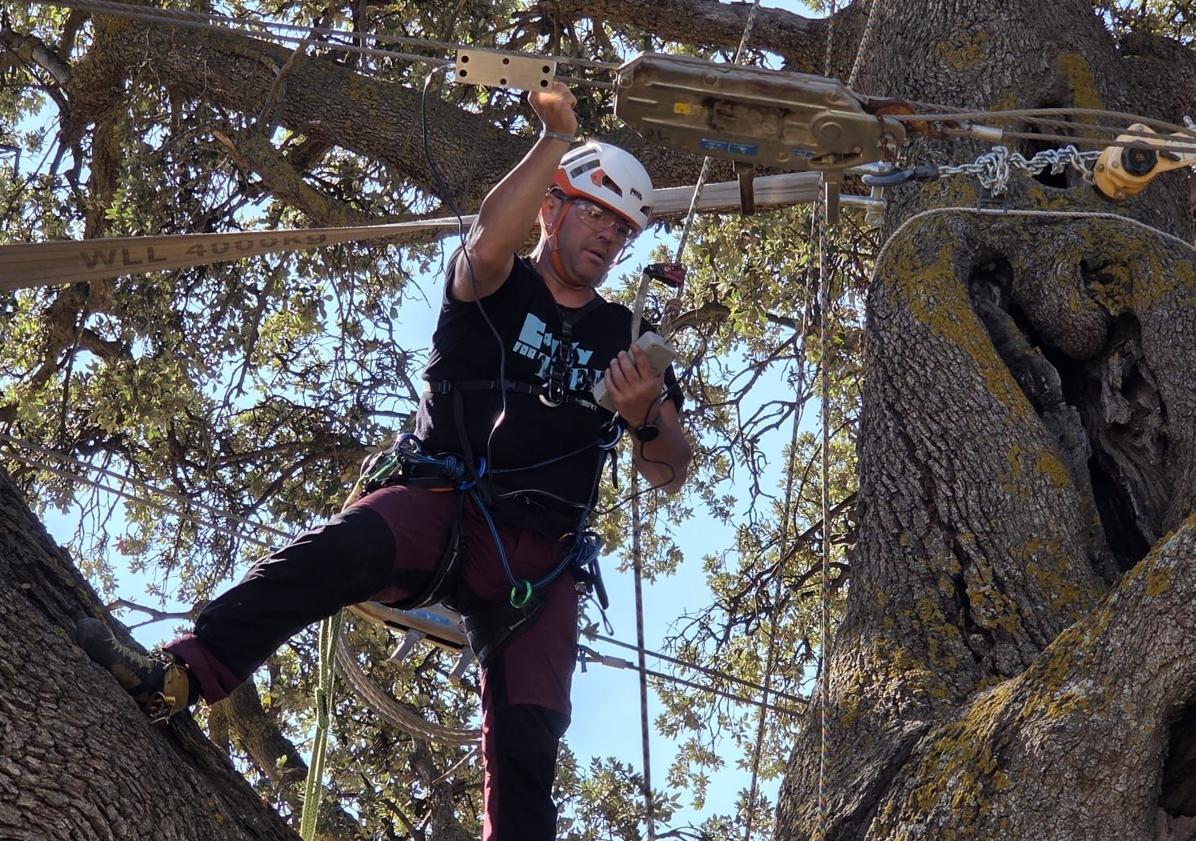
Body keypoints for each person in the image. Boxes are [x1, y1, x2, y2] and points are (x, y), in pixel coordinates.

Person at [76, 81, 691, 841]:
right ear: (552, 207)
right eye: (596, 213)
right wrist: (554, 140)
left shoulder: (624, 339)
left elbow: (671, 467)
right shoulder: (495, 282)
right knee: (330, 553)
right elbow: (488, 242)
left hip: (541, 558)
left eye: (623, 230)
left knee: (530, 739)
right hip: (442, 501)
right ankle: (180, 673)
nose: (608, 237)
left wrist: (643, 419)